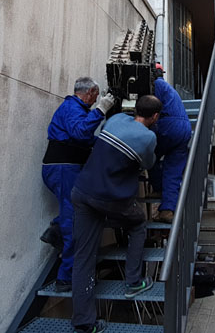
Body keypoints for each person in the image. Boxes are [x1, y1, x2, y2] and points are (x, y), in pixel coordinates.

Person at [70, 95, 163, 333]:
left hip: (82, 192)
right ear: (155, 117)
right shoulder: (149, 137)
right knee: (139, 223)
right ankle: (134, 281)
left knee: (83, 257)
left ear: (135, 109)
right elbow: (148, 164)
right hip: (109, 199)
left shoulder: (116, 119)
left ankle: (84, 323)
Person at [40, 77, 116, 292]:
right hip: (63, 169)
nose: (96, 100)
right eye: (96, 95)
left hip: (64, 168)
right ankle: (66, 277)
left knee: (72, 212)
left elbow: (81, 138)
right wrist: (101, 111)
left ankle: (56, 229)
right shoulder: (73, 107)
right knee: (73, 219)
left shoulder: (74, 109)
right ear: (90, 92)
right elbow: (80, 132)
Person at [149, 64, 192, 223]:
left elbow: (150, 109)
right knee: (173, 171)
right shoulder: (168, 88)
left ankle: (158, 187)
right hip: (184, 128)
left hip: (168, 126)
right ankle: (167, 210)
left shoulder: (156, 85)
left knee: (149, 154)